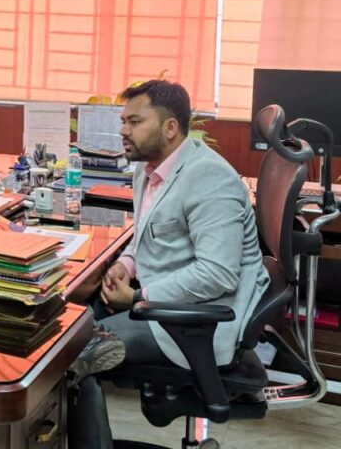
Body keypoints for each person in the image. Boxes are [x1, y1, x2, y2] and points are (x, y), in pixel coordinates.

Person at [66, 80, 270, 448]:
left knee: (70, 355)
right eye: (123, 121)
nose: (123, 131)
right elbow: (149, 234)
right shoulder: (149, 169)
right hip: (163, 303)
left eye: (134, 122)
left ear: (170, 127)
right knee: (65, 322)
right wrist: (126, 265)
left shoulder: (209, 179)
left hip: (193, 322)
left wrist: (139, 296)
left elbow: (217, 274)